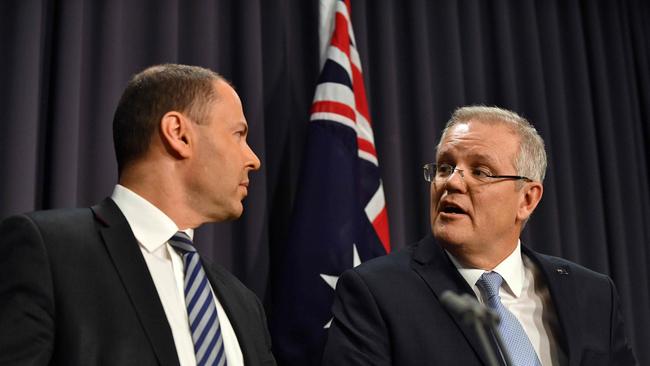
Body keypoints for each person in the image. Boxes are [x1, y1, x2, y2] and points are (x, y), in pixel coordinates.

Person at [0, 64, 276, 366]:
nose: (253, 159)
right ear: (179, 134)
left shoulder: (245, 305)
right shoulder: (50, 251)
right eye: (238, 134)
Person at [322, 106, 637, 365]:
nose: (452, 183)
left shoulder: (593, 294)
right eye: (445, 167)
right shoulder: (376, 292)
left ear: (527, 199)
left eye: (481, 172)